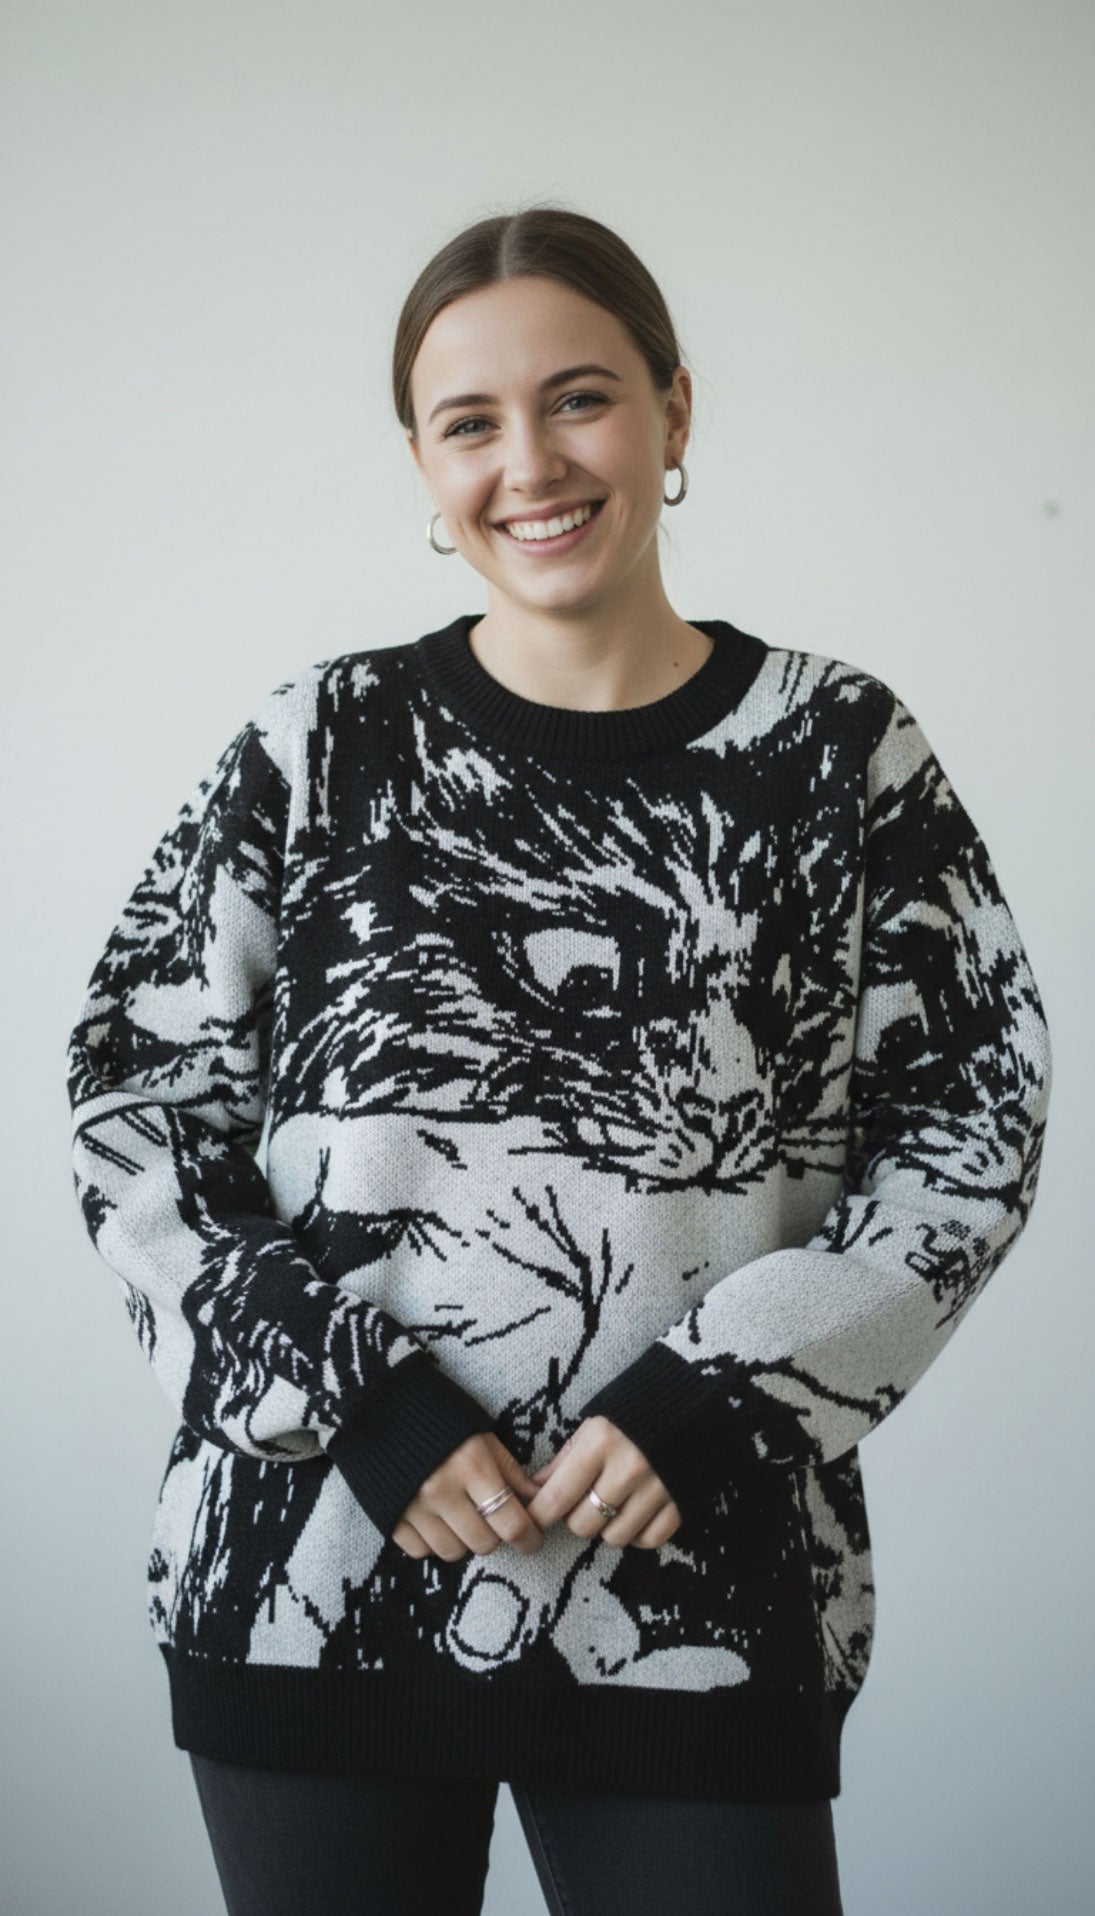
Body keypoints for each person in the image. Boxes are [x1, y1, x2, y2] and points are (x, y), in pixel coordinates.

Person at [65, 203, 1053, 1916]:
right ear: (423, 464)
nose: (530, 463)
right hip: (309, 1587)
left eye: (580, 397)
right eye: (471, 422)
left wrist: (727, 1394)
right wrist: (351, 1398)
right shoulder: (318, 744)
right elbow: (136, 1108)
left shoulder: (841, 750)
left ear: (676, 410)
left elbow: (973, 1123)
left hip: (709, 1597)